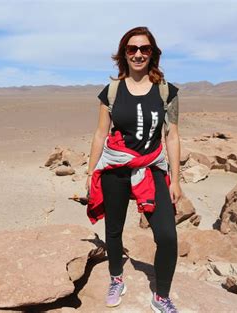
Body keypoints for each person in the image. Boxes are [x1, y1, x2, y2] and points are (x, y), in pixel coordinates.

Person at [85, 26, 182, 312]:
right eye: (132, 49)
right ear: (123, 54)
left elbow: (173, 136)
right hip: (116, 167)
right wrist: (91, 172)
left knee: (167, 236)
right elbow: (100, 134)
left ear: (153, 53)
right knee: (113, 231)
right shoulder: (112, 91)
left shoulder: (167, 91)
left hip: (152, 168)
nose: (138, 54)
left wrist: (175, 180)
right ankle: (117, 278)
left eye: (144, 49)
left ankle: (161, 295)